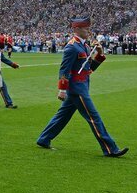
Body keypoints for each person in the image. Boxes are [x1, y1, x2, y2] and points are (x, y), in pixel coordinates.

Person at [37, 17, 127, 157]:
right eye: (86, 28)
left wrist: (100, 54)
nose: (88, 31)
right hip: (77, 88)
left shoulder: (84, 46)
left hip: (83, 85)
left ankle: (44, 139)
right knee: (94, 117)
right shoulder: (71, 47)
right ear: (76, 29)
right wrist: (62, 89)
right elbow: (64, 70)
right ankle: (110, 149)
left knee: (62, 116)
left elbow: (88, 69)